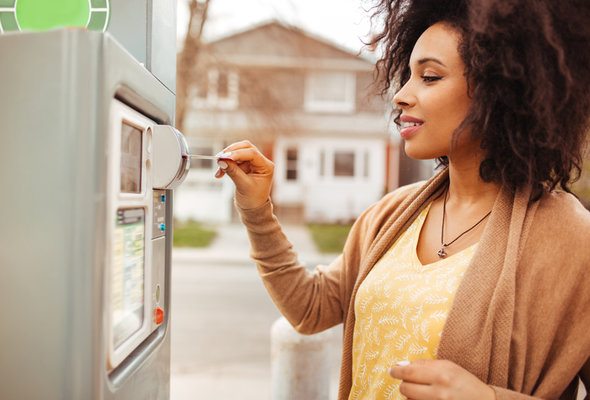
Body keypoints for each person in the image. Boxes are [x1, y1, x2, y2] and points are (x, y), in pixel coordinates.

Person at [212, 0, 590, 398]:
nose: (401, 96)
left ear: (501, 89)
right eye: (407, 76)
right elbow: (310, 309)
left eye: (429, 76)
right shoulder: (391, 214)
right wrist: (257, 210)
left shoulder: (572, 240)